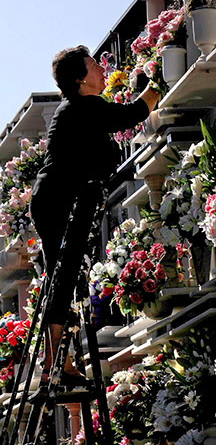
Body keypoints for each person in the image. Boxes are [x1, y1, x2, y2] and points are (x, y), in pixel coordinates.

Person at [29, 45, 160, 386]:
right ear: (79, 78)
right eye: (93, 65)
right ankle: (54, 363)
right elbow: (132, 113)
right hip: (61, 201)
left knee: (66, 277)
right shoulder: (83, 107)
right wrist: (159, 71)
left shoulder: (80, 108)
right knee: (64, 274)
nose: (102, 69)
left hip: (59, 200)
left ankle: (60, 362)